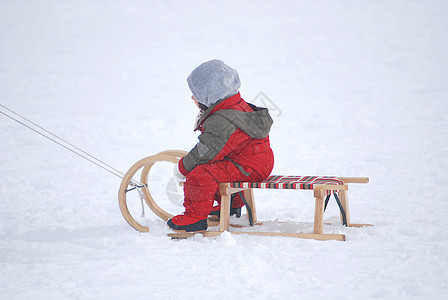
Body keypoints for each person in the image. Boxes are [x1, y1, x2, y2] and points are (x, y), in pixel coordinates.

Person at [167, 59, 274, 232]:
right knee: (220, 166)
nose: (193, 98)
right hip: (256, 162)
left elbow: (205, 152)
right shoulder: (235, 106)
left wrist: (183, 168)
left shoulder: (223, 120)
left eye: (197, 94)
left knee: (201, 173)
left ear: (210, 94)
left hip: (249, 167)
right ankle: (231, 204)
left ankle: (194, 218)